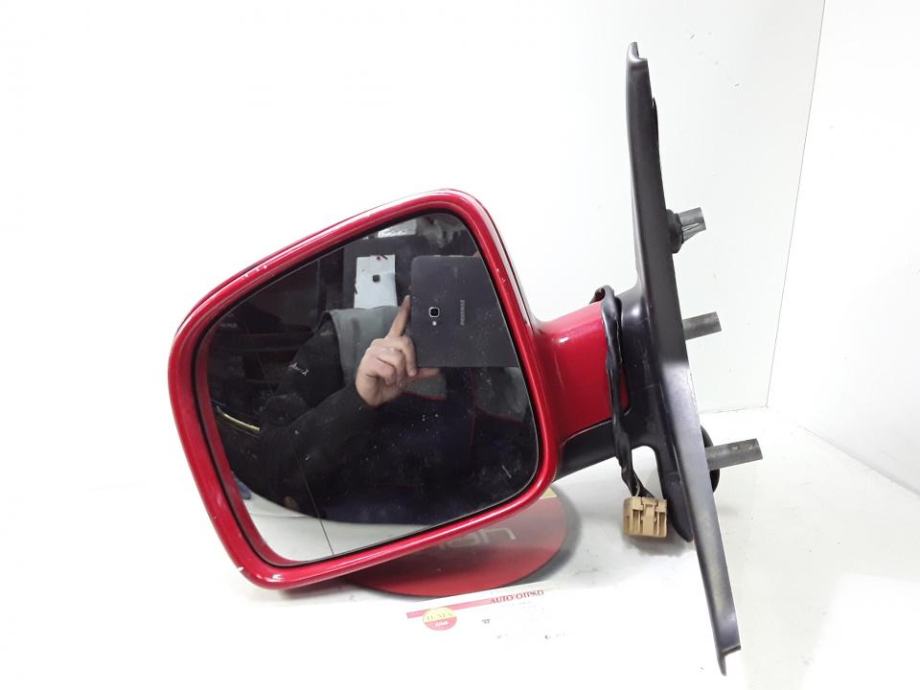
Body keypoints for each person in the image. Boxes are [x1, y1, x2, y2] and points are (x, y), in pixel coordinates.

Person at [227, 296, 536, 526]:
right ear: (416, 286)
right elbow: (273, 468)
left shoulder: (513, 382)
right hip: (346, 554)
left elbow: (520, 490)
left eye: (492, 292)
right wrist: (358, 397)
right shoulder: (348, 337)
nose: (465, 307)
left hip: (471, 554)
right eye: (454, 279)